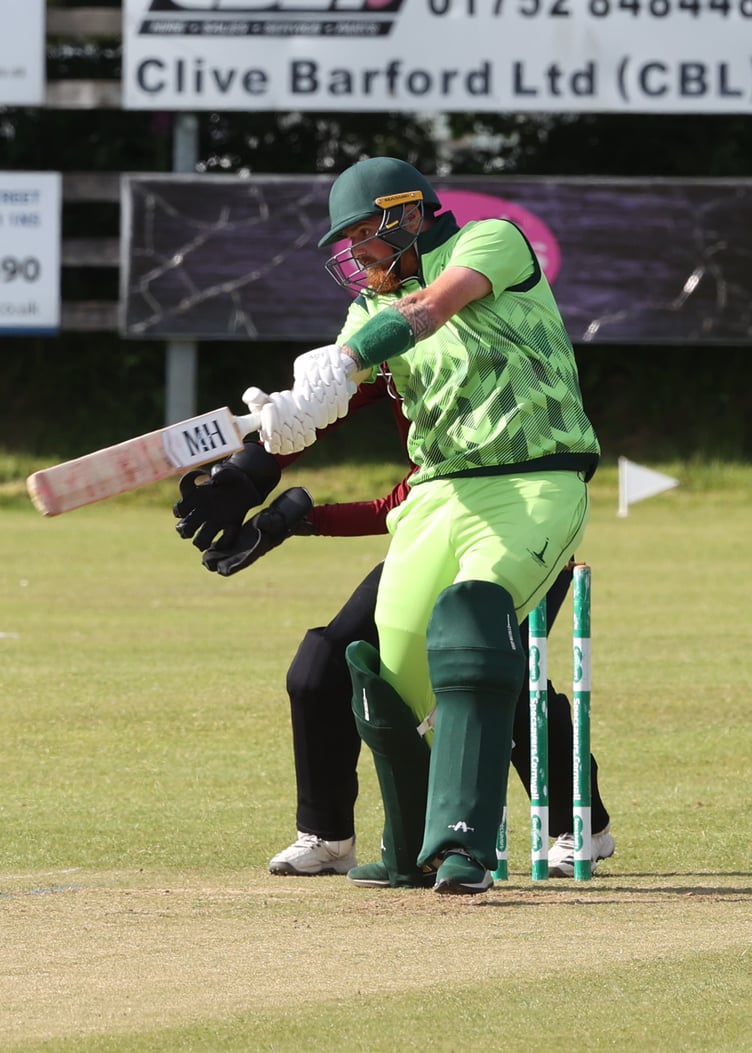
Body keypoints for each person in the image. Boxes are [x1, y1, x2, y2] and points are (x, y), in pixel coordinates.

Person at [181, 155, 603, 894]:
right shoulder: (369, 309)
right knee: (386, 669)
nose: (356, 256)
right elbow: (328, 407)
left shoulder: (488, 242)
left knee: (470, 623)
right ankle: (406, 848)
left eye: (362, 236)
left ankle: (466, 846)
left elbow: (433, 309)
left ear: (407, 215)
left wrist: (345, 358)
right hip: (438, 494)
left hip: (536, 479)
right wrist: (261, 455)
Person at [175, 384, 614, 883]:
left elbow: (397, 496)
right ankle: (329, 837)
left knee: (480, 675)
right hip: (435, 534)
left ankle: (580, 825)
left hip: (524, 527)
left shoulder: (476, 354)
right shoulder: (391, 357)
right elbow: (322, 413)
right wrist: (252, 476)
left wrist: (305, 519)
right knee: (322, 666)